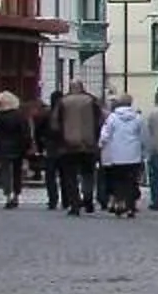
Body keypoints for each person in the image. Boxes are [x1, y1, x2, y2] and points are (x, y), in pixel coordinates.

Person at [53, 77, 101, 216]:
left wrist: (59, 140)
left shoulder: (63, 102)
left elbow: (55, 124)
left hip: (68, 145)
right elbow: (99, 121)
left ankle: (74, 204)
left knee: (70, 176)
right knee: (88, 173)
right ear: (82, 87)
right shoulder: (91, 100)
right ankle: (88, 198)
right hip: (88, 144)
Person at [97, 97, 144, 216]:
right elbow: (142, 134)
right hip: (134, 154)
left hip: (117, 154)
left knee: (118, 180)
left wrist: (101, 144)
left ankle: (119, 203)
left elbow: (105, 135)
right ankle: (130, 206)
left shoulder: (112, 118)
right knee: (131, 181)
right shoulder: (137, 117)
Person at [0, 91, 29, 207]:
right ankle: (16, 194)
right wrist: (26, 147)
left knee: (5, 171)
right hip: (18, 147)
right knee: (17, 172)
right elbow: (25, 133)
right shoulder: (20, 116)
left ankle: (8, 195)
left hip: (2, 147)